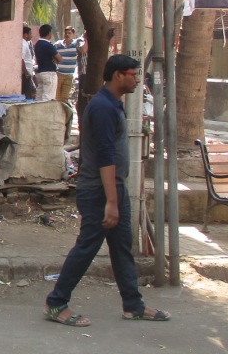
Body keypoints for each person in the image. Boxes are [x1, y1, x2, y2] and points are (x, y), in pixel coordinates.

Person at [44, 54, 171, 326]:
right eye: (133, 74)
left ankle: (133, 305)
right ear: (117, 76)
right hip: (99, 192)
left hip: (114, 190)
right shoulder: (103, 108)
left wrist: (117, 196)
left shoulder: (112, 104)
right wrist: (111, 202)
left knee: (121, 247)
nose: (137, 79)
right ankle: (56, 303)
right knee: (88, 246)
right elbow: (105, 156)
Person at [33, 24, 60, 102]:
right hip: (49, 72)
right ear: (49, 33)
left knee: (39, 96)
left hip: (40, 72)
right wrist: (56, 59)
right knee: (48, 97)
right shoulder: (48, 44)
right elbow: (59, 58)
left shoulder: (37, 44)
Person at [56, 26, 82, 103]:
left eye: (69, 33)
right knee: (57, 97)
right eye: (66, 33)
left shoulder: (76, 44)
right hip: (58, 74)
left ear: (73, 34)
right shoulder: (58, 44)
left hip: (69, 75)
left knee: (65, 98)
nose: (67, 35)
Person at [21, 25, 37, 100]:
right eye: (30, 34)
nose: (31, 36)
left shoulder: (26, 43)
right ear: (25, 34)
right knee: (28, 95)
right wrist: (26, 72)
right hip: (25, 74)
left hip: (27, 73)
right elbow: (21, 59)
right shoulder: (23, 44)